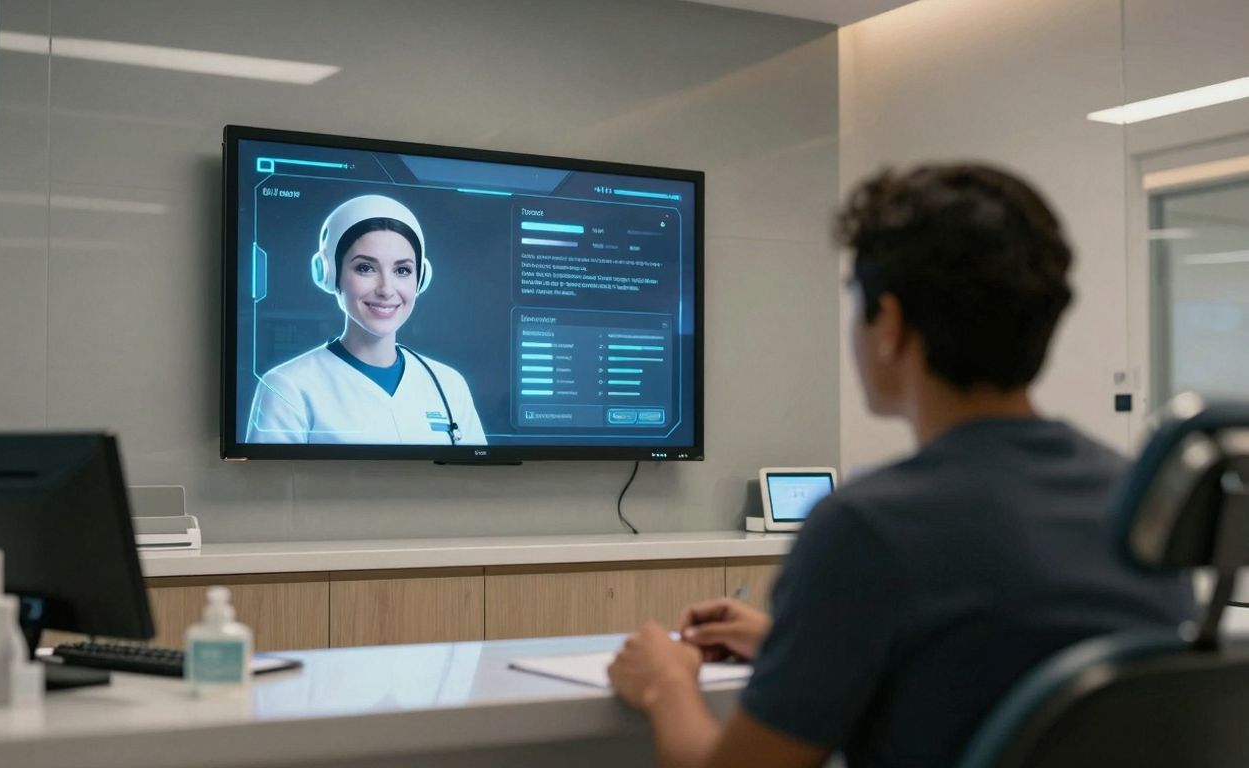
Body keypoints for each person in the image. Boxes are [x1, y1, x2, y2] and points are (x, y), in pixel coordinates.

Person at [607, 164, 1193, 768]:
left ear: (889, 325)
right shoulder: (1143, 503)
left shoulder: (866, 530)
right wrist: (794, 649)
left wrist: (665, 682)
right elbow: (996, 662)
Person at [247, 194, 486, 445]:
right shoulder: (287, 387)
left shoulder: (449, 385)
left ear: (421, 278)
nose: (386, 289)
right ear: (329, 274)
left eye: (402, 270)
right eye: (365, 268)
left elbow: (479, 471)